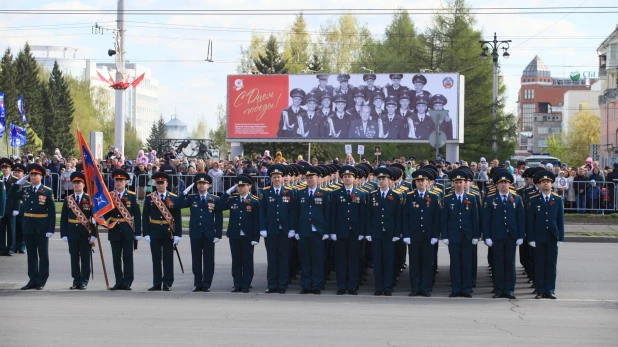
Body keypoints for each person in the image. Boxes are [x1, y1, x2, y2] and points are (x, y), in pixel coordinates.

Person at [176, 173, 223, 292]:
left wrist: (218, 234)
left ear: (208, 185)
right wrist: (184, 193)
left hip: (208, 233)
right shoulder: (192, 198)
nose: (201, 185)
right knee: (196, 259)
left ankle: (206, 284)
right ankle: (197, 283)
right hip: (196, 233)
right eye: (199, 183)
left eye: (204, 183)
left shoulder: (214, 199)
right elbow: (177, 204)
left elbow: (218, 217)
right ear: (196, 185)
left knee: (208, 260)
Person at [11, 164, 55, 290]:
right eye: (31, 174)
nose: (33, 176)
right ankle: (32, 279)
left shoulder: (47, 191)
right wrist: (19, 182)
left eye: (35, 174)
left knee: (43, 254)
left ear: (41, 176)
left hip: (41, 226)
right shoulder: (25, 188)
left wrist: (50, 229)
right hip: (28, 225)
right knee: (31, 254)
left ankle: (41, 280)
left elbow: (51, 212)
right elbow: (11, 195)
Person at [482, 172, 524, 299]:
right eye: (501, 183)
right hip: (496, 237)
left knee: (510, 264)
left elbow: (520, 219)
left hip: (511, 236)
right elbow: (486, 219)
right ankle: (499, 289)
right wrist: (487, 236)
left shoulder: (517, 199)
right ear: (497, 185)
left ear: (510, 184)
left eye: (506, 183)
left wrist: (521, 235)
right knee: (498, 264)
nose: (504, 185)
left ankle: (509, 289)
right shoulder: (491, 199)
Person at [441, 169, 480, 298]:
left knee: (467, 263)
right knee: (455, 263)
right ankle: (456, 288)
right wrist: (445, 236)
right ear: (453, 184)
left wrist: (476, 235)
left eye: (461, 182)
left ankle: (466, 289)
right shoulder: (448, 199)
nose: (458, 184)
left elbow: (475, 218)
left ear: (465, 183)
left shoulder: (472, 198)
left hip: (467, 235)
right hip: (454, 235)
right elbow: (444, 219)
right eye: (456, 182)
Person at [259, 164, 297, 294]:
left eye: (279, 177)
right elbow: (262, 212)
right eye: (274, 177)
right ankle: (271, 284)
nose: (276, 179)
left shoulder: (289, 192)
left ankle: (282, 285)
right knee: (272, 258)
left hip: (285, 231)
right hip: (271, 230)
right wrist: (263, 228)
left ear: (283, 178)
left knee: (284, 258)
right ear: (271, 178)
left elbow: (292, 212)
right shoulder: (265, 192)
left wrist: (292, 229)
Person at [220, 174, 261, 293]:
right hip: (235, 234)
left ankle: (246, 284)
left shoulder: (254, 202)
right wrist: (227, 193)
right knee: (236, 260)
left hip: (248, 235)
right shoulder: (233, 199)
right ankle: (237, 284)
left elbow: (256, 221)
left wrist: (256, 237)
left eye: (243, 186)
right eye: (239, 186)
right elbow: (219, 205)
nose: (240, 188)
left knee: (247, 261)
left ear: (249, 186)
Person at [403, 170, 440, 297]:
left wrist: (435, 235)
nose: (420, 183)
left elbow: (436, 218)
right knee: (414, 263)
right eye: (418, 181)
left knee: (427, 262)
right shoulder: (409, 196)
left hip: (428, 236)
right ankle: (415, 287)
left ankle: (425, 287)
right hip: (414, 235)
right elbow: (405, 217)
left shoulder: (434, 197)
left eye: (422, 181)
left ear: (427, 182)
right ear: (415, 183)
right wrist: (406, 235)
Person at [330, 165, 367, 295]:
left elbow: (363, 215)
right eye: (345, 176)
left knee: (354, 260)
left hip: (355, 232)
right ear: (341, 178)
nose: (347, 178)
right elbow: (332, 214)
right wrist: (333, 231)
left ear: (354, 178)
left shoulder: (361, 194)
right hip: (340, 232)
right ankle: (341, 286)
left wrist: (362, 232)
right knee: (341, 260)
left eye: (349, 176)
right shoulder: (335, 194)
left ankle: (352, 286)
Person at [527, 170, 564, 299]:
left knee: (551, 264)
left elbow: (560, 220)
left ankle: (550, 290)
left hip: (552, 236)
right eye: (543, 182)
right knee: (539, 264)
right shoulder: (534, 200)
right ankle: (540, 290)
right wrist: (531, 238)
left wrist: (561, 237)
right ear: (539, 184)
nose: (546, 184)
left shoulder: (558, 200)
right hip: (539, 237)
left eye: (548, 182)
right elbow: (530, 221)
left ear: (552, 184)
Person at [143, 172, 182, 291]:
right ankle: (157, 282)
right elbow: (145, 216)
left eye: (162, 183)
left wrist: (177, 234)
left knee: (168, 258)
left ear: (167, 184)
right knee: (156, 258)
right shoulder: (150, 198)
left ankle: (167, 282)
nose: (160, 185)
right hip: (154, 230)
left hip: (168, 231)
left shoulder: (174, 197)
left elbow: (178, 217)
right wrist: (146, 233)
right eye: (158, 183)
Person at [295, 166, 330, 294]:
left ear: (317, 178)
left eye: (312, 177)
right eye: (307, 178)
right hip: (304, 231)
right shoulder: (300, 193)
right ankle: (306, 285)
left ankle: (317, 285)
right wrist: (296, 231)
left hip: (318, 232)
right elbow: (296, 213)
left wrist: (326, 231)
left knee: (318, 259)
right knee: (305, 259)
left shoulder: (324, 194)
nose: (309, 179)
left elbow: (327, 214)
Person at [60, 172, 97, 290]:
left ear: (84, 184)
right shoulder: (68, 200)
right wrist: (63, 233)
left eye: (79, 183)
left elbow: (94, 218)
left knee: (85, 257)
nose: (76, 185)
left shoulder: (89, 199)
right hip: (72, 232)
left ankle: (84, 280)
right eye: (75, 183)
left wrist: (94, 234)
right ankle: (76, 280)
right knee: (74, 257)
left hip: (85, 232)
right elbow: (63, 218)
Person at [368, 167, 402, 296]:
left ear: (389, 180)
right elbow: (369, 216)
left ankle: (387, 286)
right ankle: (378, 286)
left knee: (388, 261)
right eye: (379, 179)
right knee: (378, 261)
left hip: (389, 233)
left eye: (384, 179)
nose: (381, 181)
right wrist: (369, 232)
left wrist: (397, 233)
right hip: (376, 233)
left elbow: (398, 217)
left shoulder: (395, 196)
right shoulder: (373, 195)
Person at [105, 169, 141, 290]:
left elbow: (137, 215)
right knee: (116, 258)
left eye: (121, 180)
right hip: (114, 229)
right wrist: (98, 218)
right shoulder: (110, 196)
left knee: (127, 257)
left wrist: (138, 233)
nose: (119, 183)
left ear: (126, 182)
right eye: (117, 180)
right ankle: (118, 281)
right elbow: (107, 213)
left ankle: (127, 282)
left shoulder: (131, 196)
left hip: (127, 229)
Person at [0, 158, 15, 256]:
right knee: (1, 230)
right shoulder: (0, 180)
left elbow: (17, 196)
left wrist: (16, 208)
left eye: (6, 167)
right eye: (2, 167)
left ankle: (10, 248)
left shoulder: (14, 180)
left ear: (10, 169)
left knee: (11, 229)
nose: (4, 169)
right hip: (1, 209)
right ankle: (2, 248)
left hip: (10, 208)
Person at [11, 163, 26, 254]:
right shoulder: (12, 183)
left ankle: (22, 246)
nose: (17, 173)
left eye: (19, 172)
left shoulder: (27, 184)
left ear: (23, 174)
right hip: (13, 209)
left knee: (22, 228)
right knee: (14, 229)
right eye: (15, 172)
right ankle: (14, 246)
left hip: (23, 208)